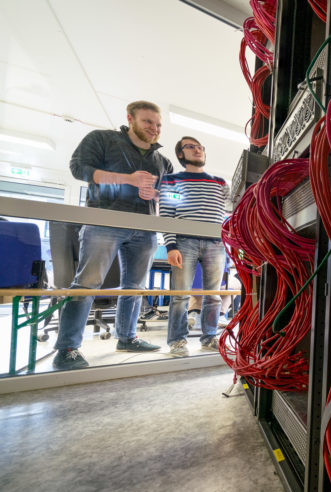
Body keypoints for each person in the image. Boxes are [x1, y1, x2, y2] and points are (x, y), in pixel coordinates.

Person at [53, 100, 174, 370]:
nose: (154, 129)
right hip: (103, 220)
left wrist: (154, 194)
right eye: (147, 122)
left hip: (143, 227)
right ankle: (67, 348)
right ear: (130, 119)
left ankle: (127, 337)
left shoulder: (162, 161)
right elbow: (79, 168)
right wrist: (127, 179)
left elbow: (168, 197)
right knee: (87, 283)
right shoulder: (102, 139)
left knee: (135, 287)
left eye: (158, 124)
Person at [159, 136, 229, 356]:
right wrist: (171, 246)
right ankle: (177, 341)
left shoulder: (220, 182)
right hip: (184, 241)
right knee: (180, 294)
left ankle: (209, 338)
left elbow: (230, 212)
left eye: (200, 147)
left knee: (214, 295)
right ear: (181, 154)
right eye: (190, 147)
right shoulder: (171, 180)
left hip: (216, 243)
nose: (197, 150)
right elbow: (167, 214)